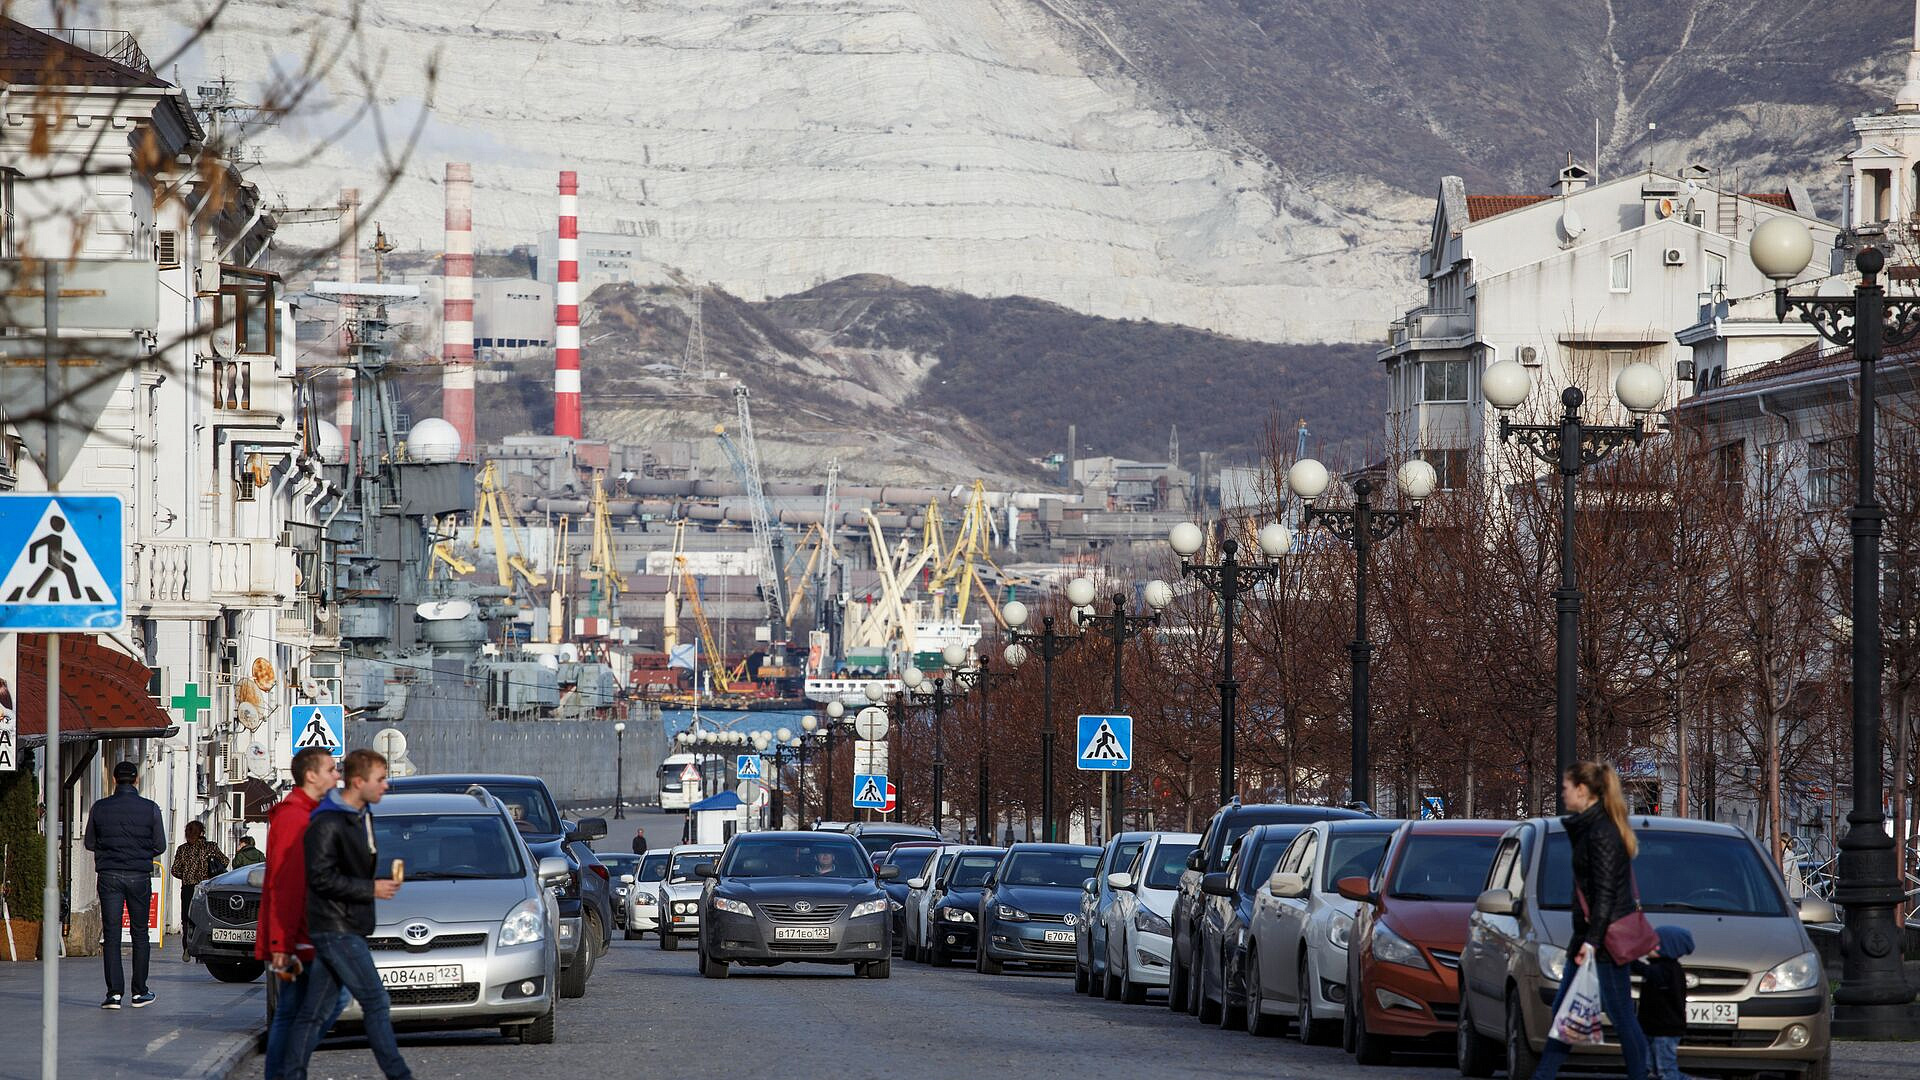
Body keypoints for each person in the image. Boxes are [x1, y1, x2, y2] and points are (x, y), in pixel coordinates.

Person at [285, 748, 410, 1080]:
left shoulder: (361, 814)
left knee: (314, 1012)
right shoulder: (327, 822)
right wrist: (371, 889)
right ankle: (400, 1075)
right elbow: (320, 877)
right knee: (376, 1000)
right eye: (380, 780)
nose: (386, 785)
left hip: (349, 924)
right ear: (359, 782)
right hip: (335, 927)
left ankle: (289, 1074)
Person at [1532, 761, 1651, 1080]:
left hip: (1602, 944)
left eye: (1566, 787)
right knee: (1565, 1014)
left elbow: (1605, 894)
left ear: (1582, 790)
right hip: (1589, 939)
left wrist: (1592, 941)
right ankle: (1544, 1075)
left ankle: (1642, 1074)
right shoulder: (1592, 828)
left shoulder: (1600, 833)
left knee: (1621, 1016)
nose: (1563, 793)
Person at [258, 748, 349, 1080]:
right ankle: (289, 1069)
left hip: (305, 933)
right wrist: (283, 943)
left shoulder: (307, 814)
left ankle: (282, 1073)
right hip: (303, 936)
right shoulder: (297, 819)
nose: (336, 775)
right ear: (311, 775)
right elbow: (287, 884)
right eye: (331, 769)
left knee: (290, 1010)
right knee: (329, 1002)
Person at [81, 760, 166, 1009]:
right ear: (136, 780)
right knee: (140, 934)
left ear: (115, 780)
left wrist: (110, 851)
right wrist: (139, 852)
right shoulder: (150, 808)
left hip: (109, 875)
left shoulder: (100, 808)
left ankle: (114, 994)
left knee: (112, 934)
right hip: (139, 875)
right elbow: (159, 846)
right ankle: (140, 992)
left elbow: (89, 842)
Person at [1638, 926, 1695, 1080]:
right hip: (1654, 1028)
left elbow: (1645, 971)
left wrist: (1627, 959)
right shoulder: (1662, 968)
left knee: (1666, 1070)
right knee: (1652, 1070)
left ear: (1666, 948)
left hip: (1664, 1030)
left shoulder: (1667, 969)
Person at [171, 820, 228, 960]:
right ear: (202, 832)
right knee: (204, 918)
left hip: (188, 888)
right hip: (206, 887)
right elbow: (225, 861)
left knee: (186, 919)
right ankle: (202, 951)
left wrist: (186, 875)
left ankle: (187, 948)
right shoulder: (211, 847)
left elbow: (175, 870)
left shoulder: (182, 849)